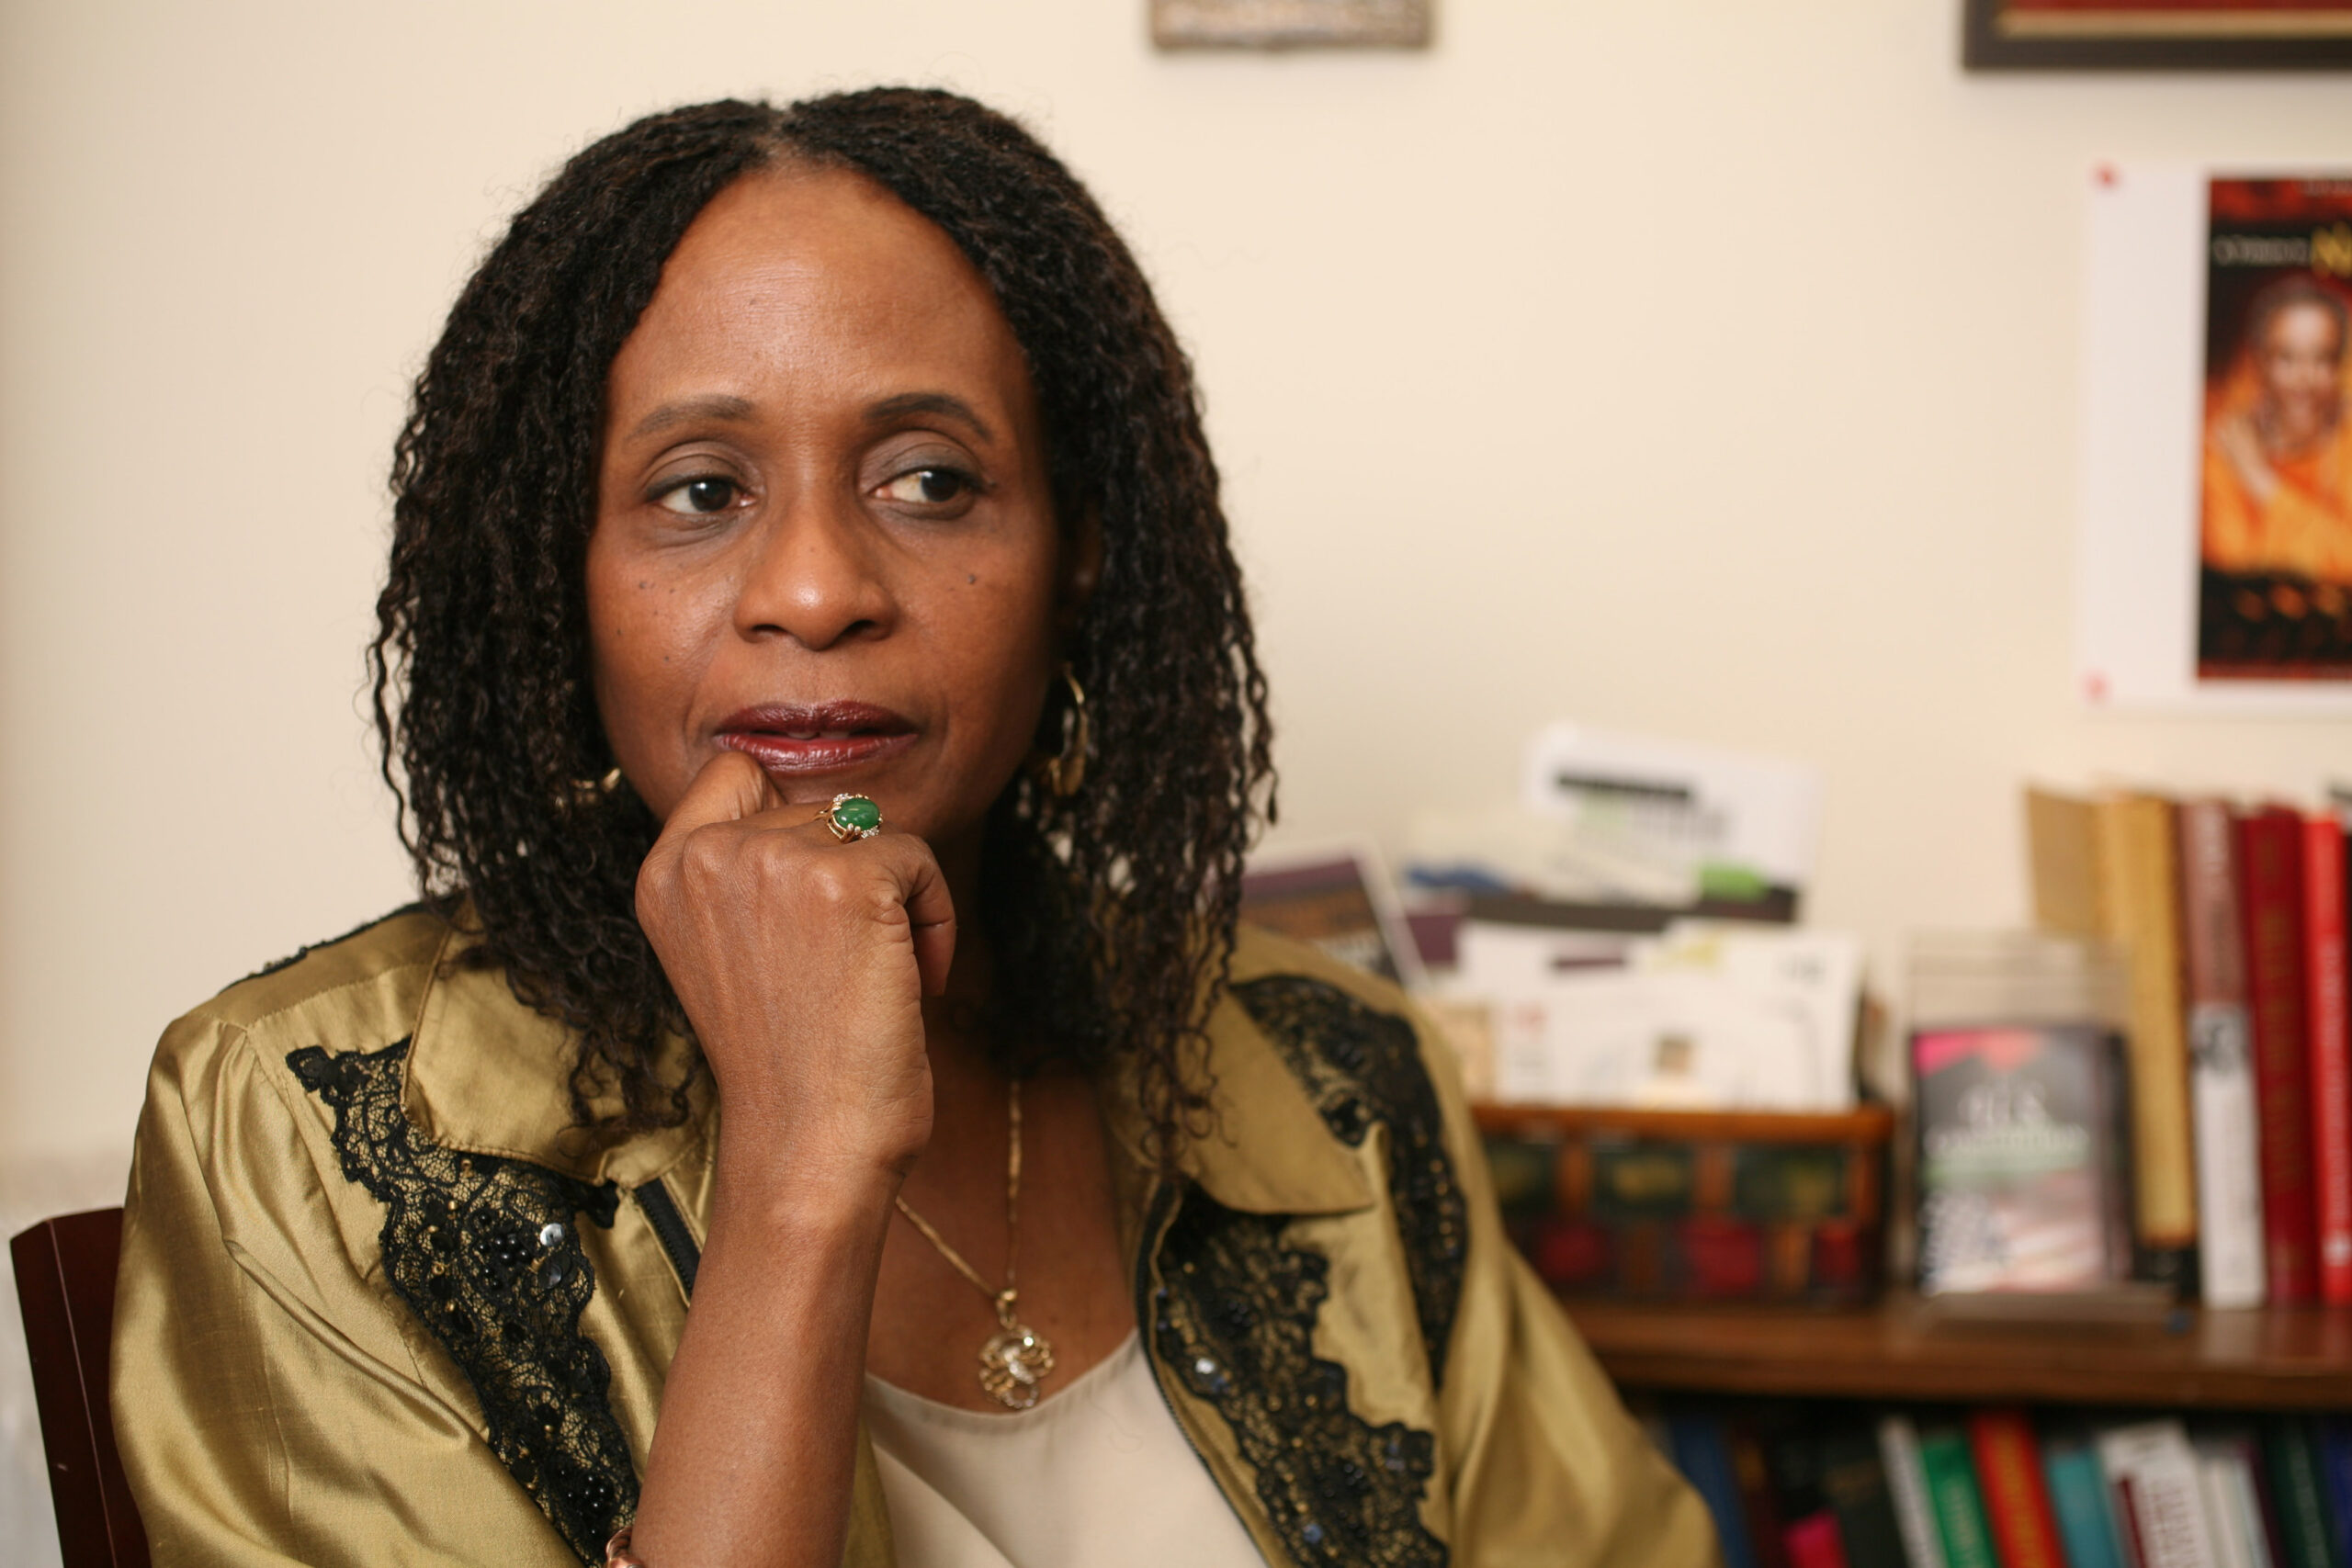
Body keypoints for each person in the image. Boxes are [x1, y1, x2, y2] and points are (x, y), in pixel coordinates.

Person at [110, 89, 1715, 1568]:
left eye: (931, 478)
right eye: (697, 489)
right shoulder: (314, 1130)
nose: (816, 589)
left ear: (1076, 553)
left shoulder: (1336, 1076)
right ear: (556, 572)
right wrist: (807, 1164)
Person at [2202, 275, 2352, 586]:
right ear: (2259, 365)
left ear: (2339, 368)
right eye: (2287, 359)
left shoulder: (2345, 447)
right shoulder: (2223, 446)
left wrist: (2264, 484)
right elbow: (2237, 564)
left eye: (2322, 358)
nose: (2304, 380)